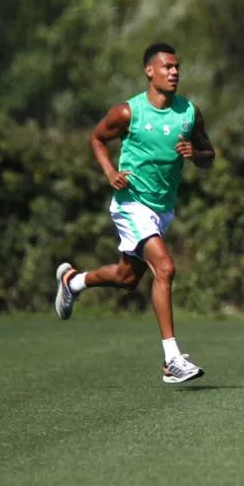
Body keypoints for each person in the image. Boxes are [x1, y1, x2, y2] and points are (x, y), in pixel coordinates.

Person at [54, 42, 214, 385]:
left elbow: (208, 154)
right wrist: (110, 172)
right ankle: (172, 360)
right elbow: (97, 139)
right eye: (167, 67)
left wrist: (196, 153)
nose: (174, 72)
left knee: (128, 279)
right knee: (166, 268)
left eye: (177, 67)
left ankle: (74, 282)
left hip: (161, 210)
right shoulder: (128, 112)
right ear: (149, 71)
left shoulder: (189, 113)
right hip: (130, 204)